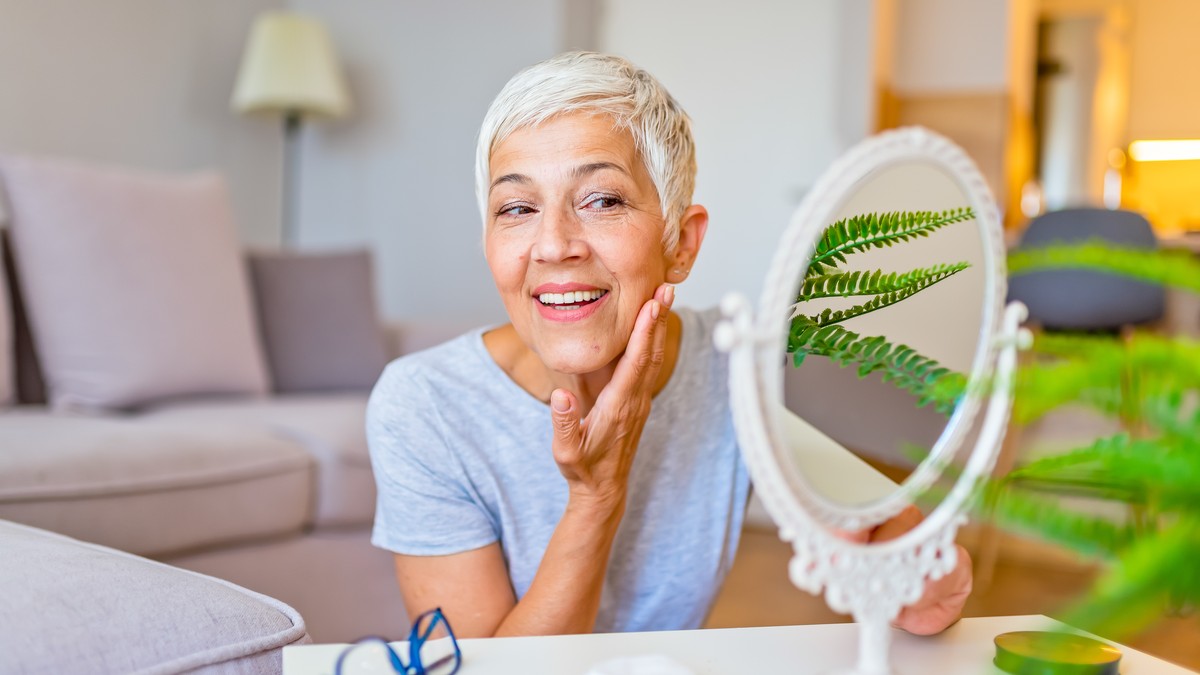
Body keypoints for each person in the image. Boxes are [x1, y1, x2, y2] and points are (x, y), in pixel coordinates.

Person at [366, 51, 972, 639]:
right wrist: (595, 495)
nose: (553, 245)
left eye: (601, 200)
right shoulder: (424, 406)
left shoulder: (735, 366)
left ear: (681, 244)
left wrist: (913, 572)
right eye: (516, 207)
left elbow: (896, 544)